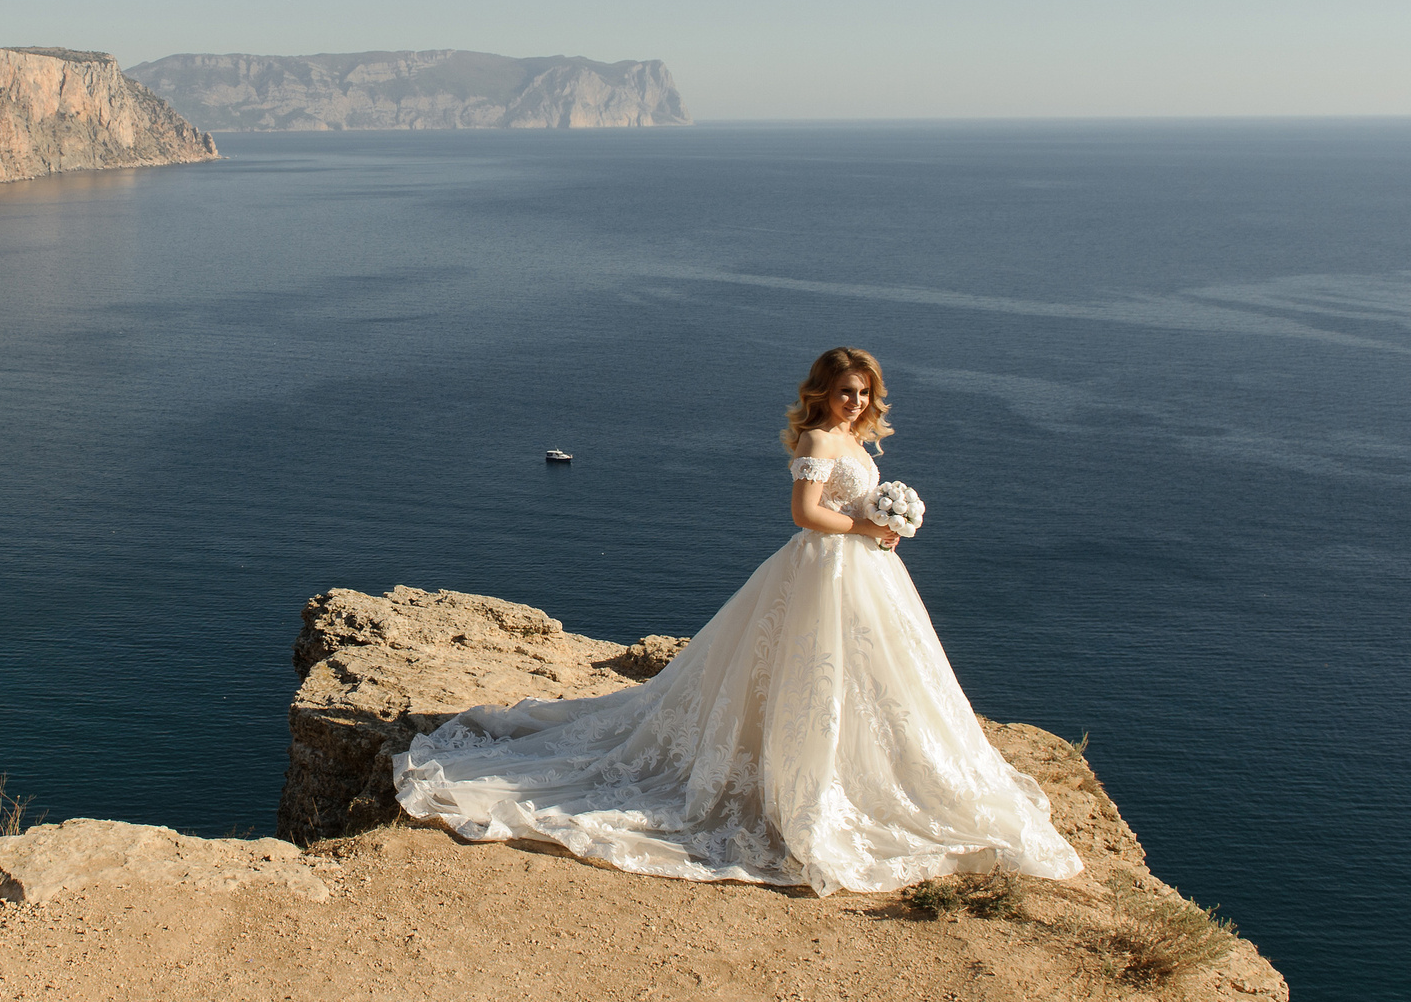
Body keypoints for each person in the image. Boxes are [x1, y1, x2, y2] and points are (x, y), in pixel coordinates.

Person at [392, 347, 1082, 896]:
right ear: (822, 391)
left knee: (870, 675)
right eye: (846, 391)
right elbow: (804, 513)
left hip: (863, 569)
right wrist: (866, 524)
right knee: (810, 666)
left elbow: (841, 508)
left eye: (865, 392)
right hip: (825, 565)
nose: (857, 401)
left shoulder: (853, 439)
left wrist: (881, 530)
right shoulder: (818, 436)